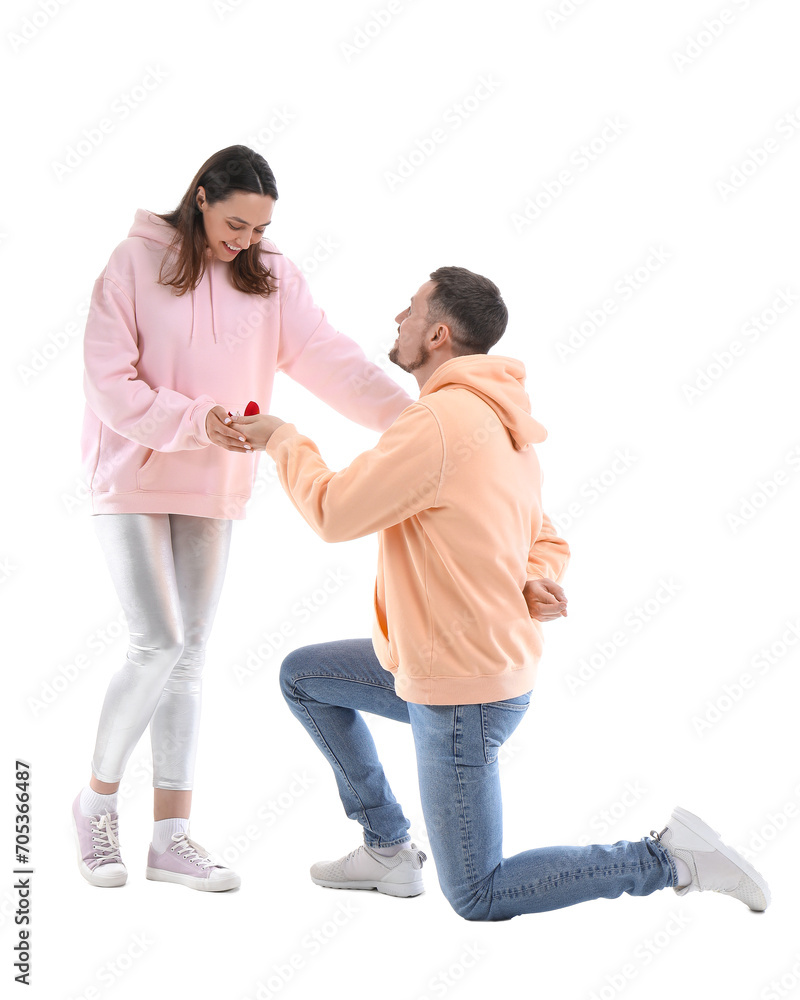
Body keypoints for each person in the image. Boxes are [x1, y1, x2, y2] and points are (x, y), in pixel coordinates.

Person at [231, 265, 771, 919]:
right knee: (304, 677)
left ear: (435, 334)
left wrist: (284, 440)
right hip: (453, 662)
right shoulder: (499, 421)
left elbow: (334, 512)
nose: (395, 321)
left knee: (477, 893)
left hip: (462, 694)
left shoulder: (437, 422)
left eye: (408, 310)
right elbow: (543, 533)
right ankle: (387, 848)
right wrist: (537, 577)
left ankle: (669, 859)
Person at [73, 145, 415, 892]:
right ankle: (94, 805)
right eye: (235, 224)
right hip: (130, 471)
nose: (246, 241)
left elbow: (333, 360)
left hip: (215, 478)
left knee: (189, 654)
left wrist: (420, 421)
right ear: (200, 197)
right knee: (155, 641)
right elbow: (108, 385)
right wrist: (197, 419)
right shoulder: (131, 265)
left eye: (259, 229)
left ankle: (171, 837)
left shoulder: (272, 278)